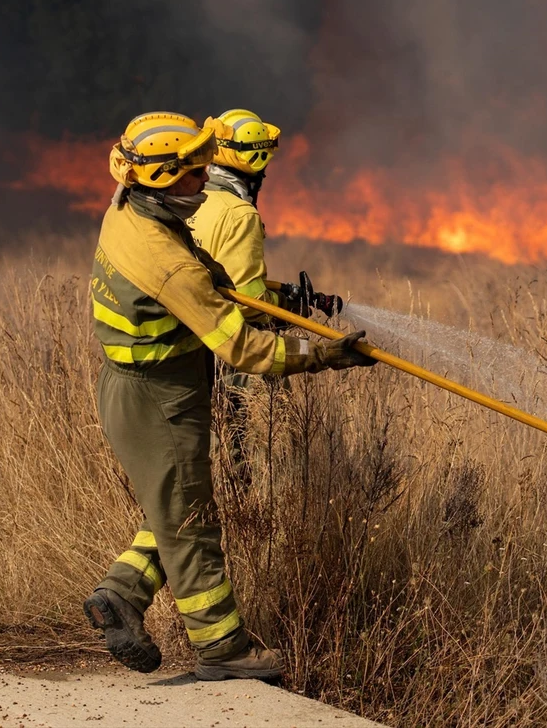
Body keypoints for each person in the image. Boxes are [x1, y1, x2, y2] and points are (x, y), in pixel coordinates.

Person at [82, 112, 374, 682]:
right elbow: (242, 349)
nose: (203, 178)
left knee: (176, 507)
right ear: (162, 180)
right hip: (160, 398)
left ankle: (121, 595)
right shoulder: (166, 265)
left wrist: (282, 295)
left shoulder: (129, 207)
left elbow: (213, 279)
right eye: (192, 172)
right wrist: (323, 355)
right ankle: (223, 650)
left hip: (138, 388)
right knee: (191, 521)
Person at [185, 109, 342, 483]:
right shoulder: (240, 216)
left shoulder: (192, 199)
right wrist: (287, 310)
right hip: (233, 352)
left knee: (210, 451)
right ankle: (257, 507)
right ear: (253, 165)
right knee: (255, 455)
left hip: (191, 345)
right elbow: (249, 302)